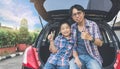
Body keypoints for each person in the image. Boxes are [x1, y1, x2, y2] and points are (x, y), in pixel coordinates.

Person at [69, 4, 103, 69]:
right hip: (78, 57)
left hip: (92, 57)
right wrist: (76, 58)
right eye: (74, 14)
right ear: (72, 17)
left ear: (83, 13)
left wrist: (90, 38)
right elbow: (72, 45)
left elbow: (100, 43)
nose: (77, 16)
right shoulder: (72, 27)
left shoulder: (93, 25)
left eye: (79, 13)